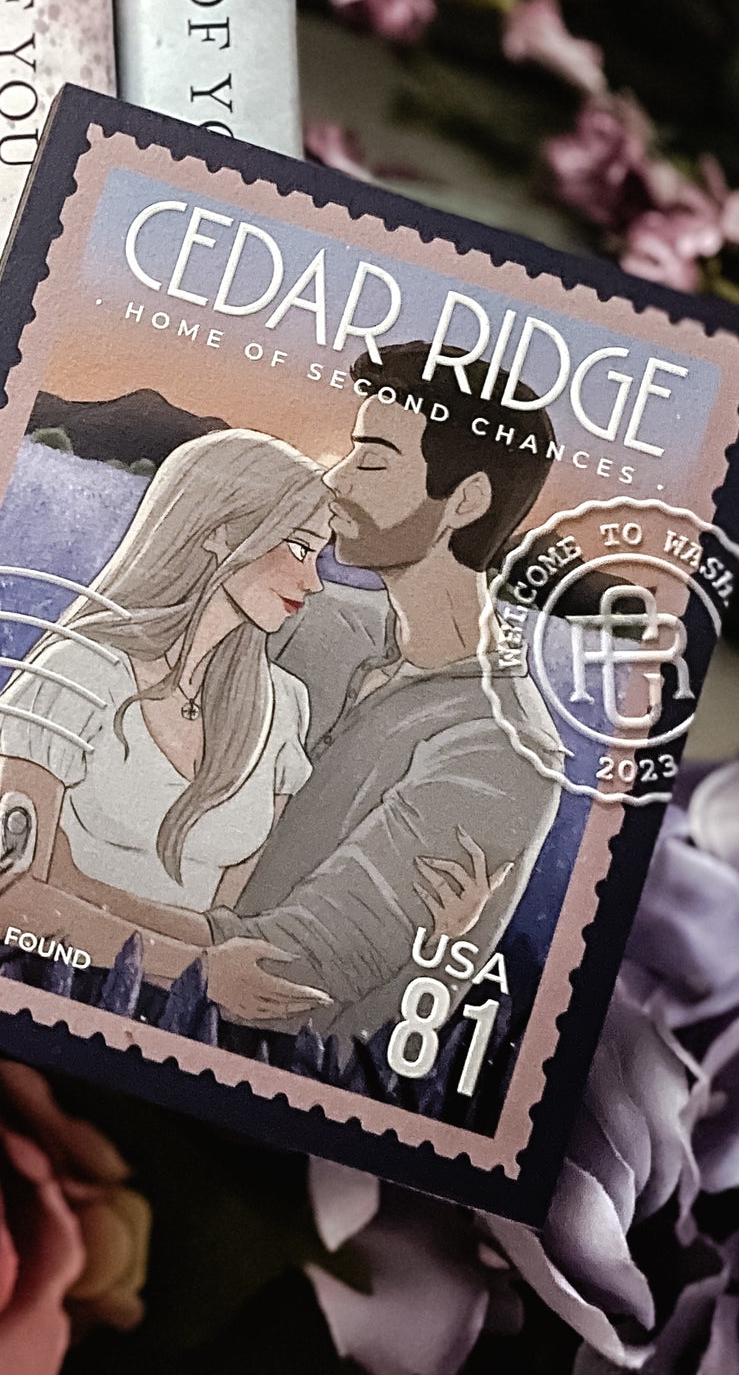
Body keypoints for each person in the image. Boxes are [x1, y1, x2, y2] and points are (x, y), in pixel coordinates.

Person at [0, 428, 497, 1023]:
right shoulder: (78, 671)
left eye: (319, 555)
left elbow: (239, 923)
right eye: (299, 549)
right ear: (222, 531)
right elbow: (8, 899)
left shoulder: (282, 709)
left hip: (185, 1026)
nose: (312, 581)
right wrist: (195, 972)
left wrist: (434, 933)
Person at [205, 339, 569, 1047]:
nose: (336, 479)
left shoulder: (502, 752)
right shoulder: (311, 615)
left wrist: (62, 906)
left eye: (371, 459)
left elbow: (290, 973)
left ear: (465, 500)